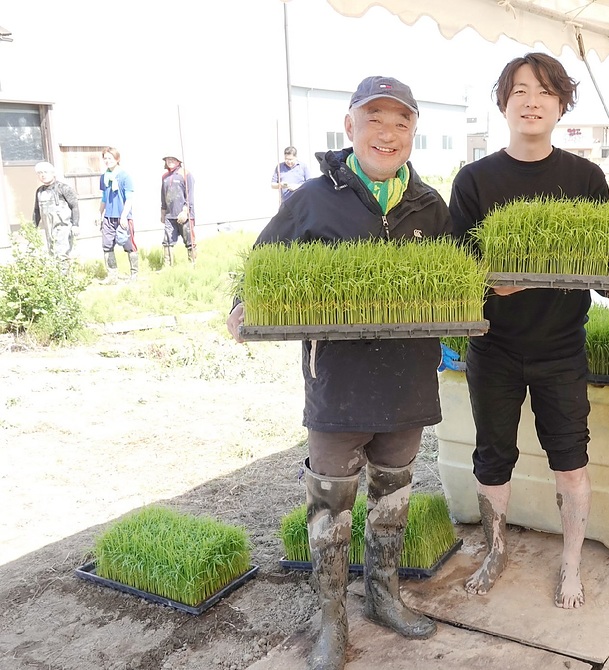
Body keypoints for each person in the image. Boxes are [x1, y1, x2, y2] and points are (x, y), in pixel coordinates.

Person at [227, 76, 448, 670]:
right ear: (349, 127)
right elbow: (260, 268)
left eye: (401, 122)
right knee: (329, 508)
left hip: (407, 383)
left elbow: (457, 279)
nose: (388, 132)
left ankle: (385, 598)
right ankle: (331, 622)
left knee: (393, 497)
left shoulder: (430, 204)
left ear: (412, 135)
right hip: (337, 386)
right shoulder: (312, 199)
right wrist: (243, 308)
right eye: (374, 118)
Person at [449, 53, 609, 610]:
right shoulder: (475, 179)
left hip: (561, 347)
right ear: (503, 103)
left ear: (562, 103)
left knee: (571, 456)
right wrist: (491, 287)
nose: (532, 101)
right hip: (491, 347)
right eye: (519, 91)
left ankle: (570, 562)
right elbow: (456, 264)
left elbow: (603, 261)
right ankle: (495, 550)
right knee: (493, 455)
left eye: (544, 91)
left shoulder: (586, 179)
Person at [99, 147, 138, 281]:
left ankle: (134, 275)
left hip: (123, 217)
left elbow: (129, 199)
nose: (107, 161)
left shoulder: (125, 176)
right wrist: (99, 213)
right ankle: (112, 275)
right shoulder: (104, 177)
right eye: (105, 158)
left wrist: (123, 216)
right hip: (108, 217)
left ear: (117, 159)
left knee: (129, 245)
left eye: (110, 158)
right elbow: (104, 197)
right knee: (107, 245)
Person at [32, 161, 80, 260]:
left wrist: (75, 225)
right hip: (48, 229)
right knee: (52, 253)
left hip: (63, 227)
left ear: (53, 173)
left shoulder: (63, 188)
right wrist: (33, 228)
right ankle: (58, 275)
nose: (43, 175)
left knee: (62, 254)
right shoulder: (39, 191)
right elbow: (36, 211)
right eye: (40, 173)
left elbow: (74, 206)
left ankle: (64, 275)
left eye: (45, 172)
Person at [160, 153, 197, 266]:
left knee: (189, 241)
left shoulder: (186, 174)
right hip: (169, 215)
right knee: (167, 242)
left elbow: (190, 194)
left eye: (173, 159)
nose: (170, 161)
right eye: (168, 159)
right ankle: (168, 267)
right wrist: (162, 212)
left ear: (178, 160)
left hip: (184, 215)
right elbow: (163, 195)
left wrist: (185, 211)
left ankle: (193, 265)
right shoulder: (165, 177)